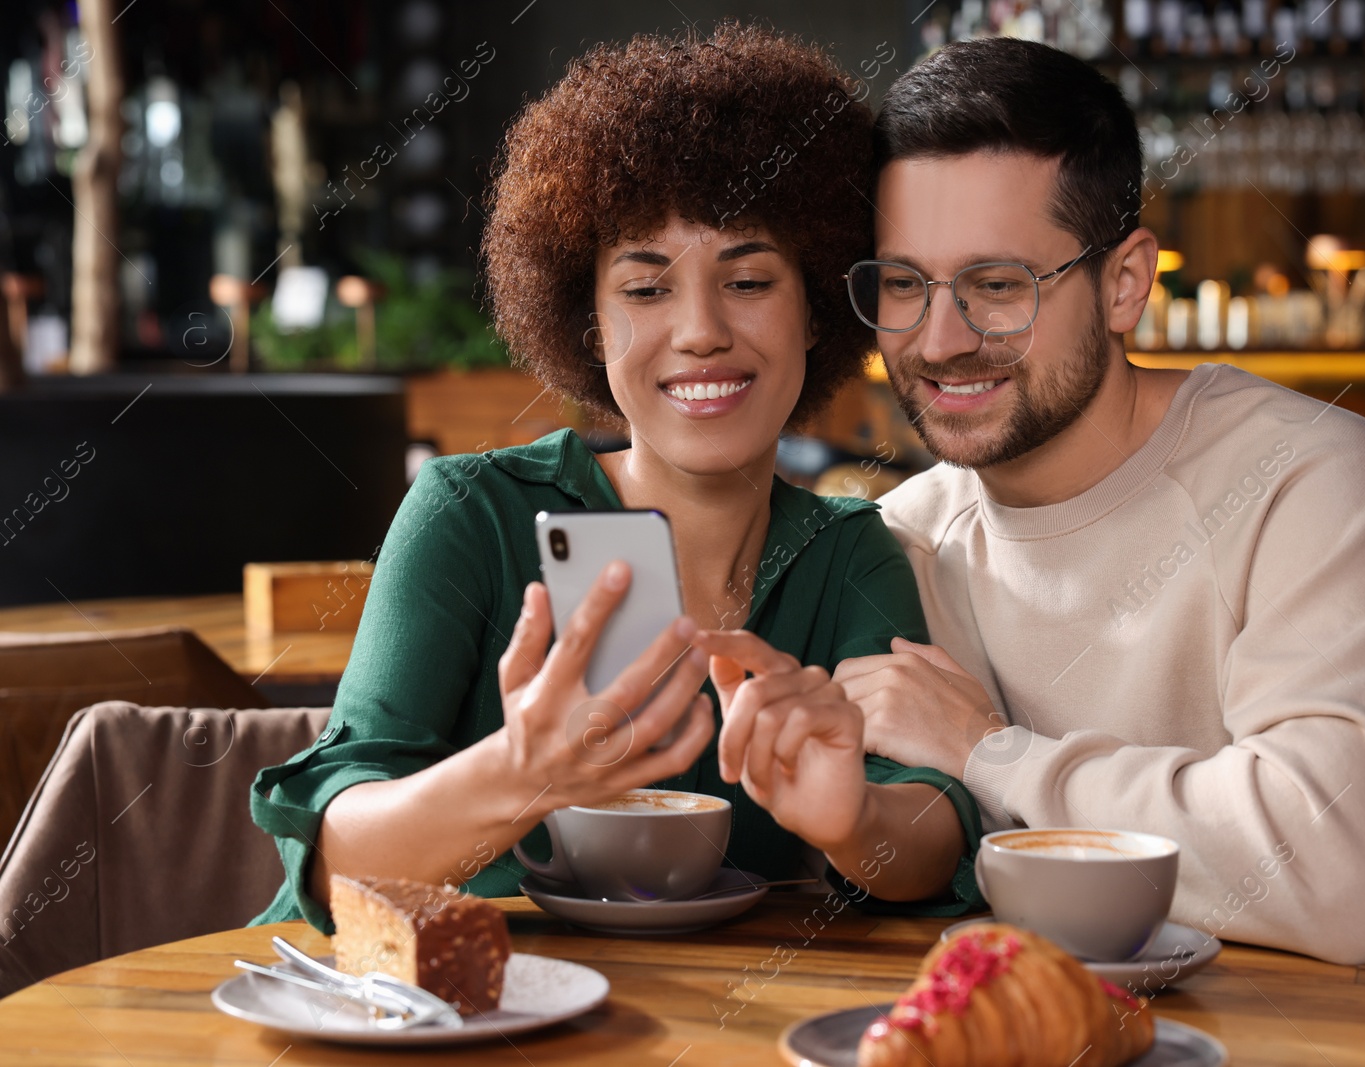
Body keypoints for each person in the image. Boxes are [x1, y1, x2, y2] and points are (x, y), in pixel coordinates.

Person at [833, 36, 1365, 1064]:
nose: (938, 338)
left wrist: (990, 752)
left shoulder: (1309, 478)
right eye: (903, 284)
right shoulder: (905, 538)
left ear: (1124, 282)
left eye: (998, 282)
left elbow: (1342, 885)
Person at [249, 24, 981, 934]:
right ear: (589, 326)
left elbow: (929, 831)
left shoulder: (846, 551)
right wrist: (524, 771)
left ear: (817, 311)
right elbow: (331, 857)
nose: (701, 330)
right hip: (443, 1018)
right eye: (645, 290)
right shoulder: (472, 514)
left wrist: (854, 822)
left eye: (748, 280)